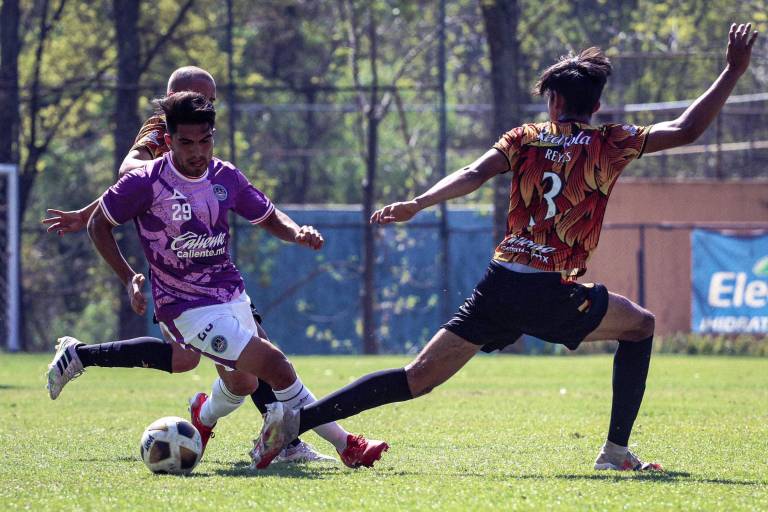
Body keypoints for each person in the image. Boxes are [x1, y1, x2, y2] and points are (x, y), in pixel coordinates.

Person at [250, 23, 759, 471]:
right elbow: (686, 129)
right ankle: (615, 451)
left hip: (500, 283)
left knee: (417, 377)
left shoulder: (525, 138)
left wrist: (419, 202)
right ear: (596, 106)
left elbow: (473, 173)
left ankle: (294, 422)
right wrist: (732, 70)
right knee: (641, 325)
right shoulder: (610, 142)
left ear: (553, 102)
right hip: (549, 291)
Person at [42, 67, 331, 464]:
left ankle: (82, 356)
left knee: (199, 364)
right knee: (258, 351)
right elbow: (130, 173)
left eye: (211, 100)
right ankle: (290, 441)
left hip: (209, 271)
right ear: (172, 99)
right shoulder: (159, 132)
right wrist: (166, 175)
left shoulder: (198, 139)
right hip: (176, 274)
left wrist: (92, 208)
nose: (206, 105)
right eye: (199, 97)